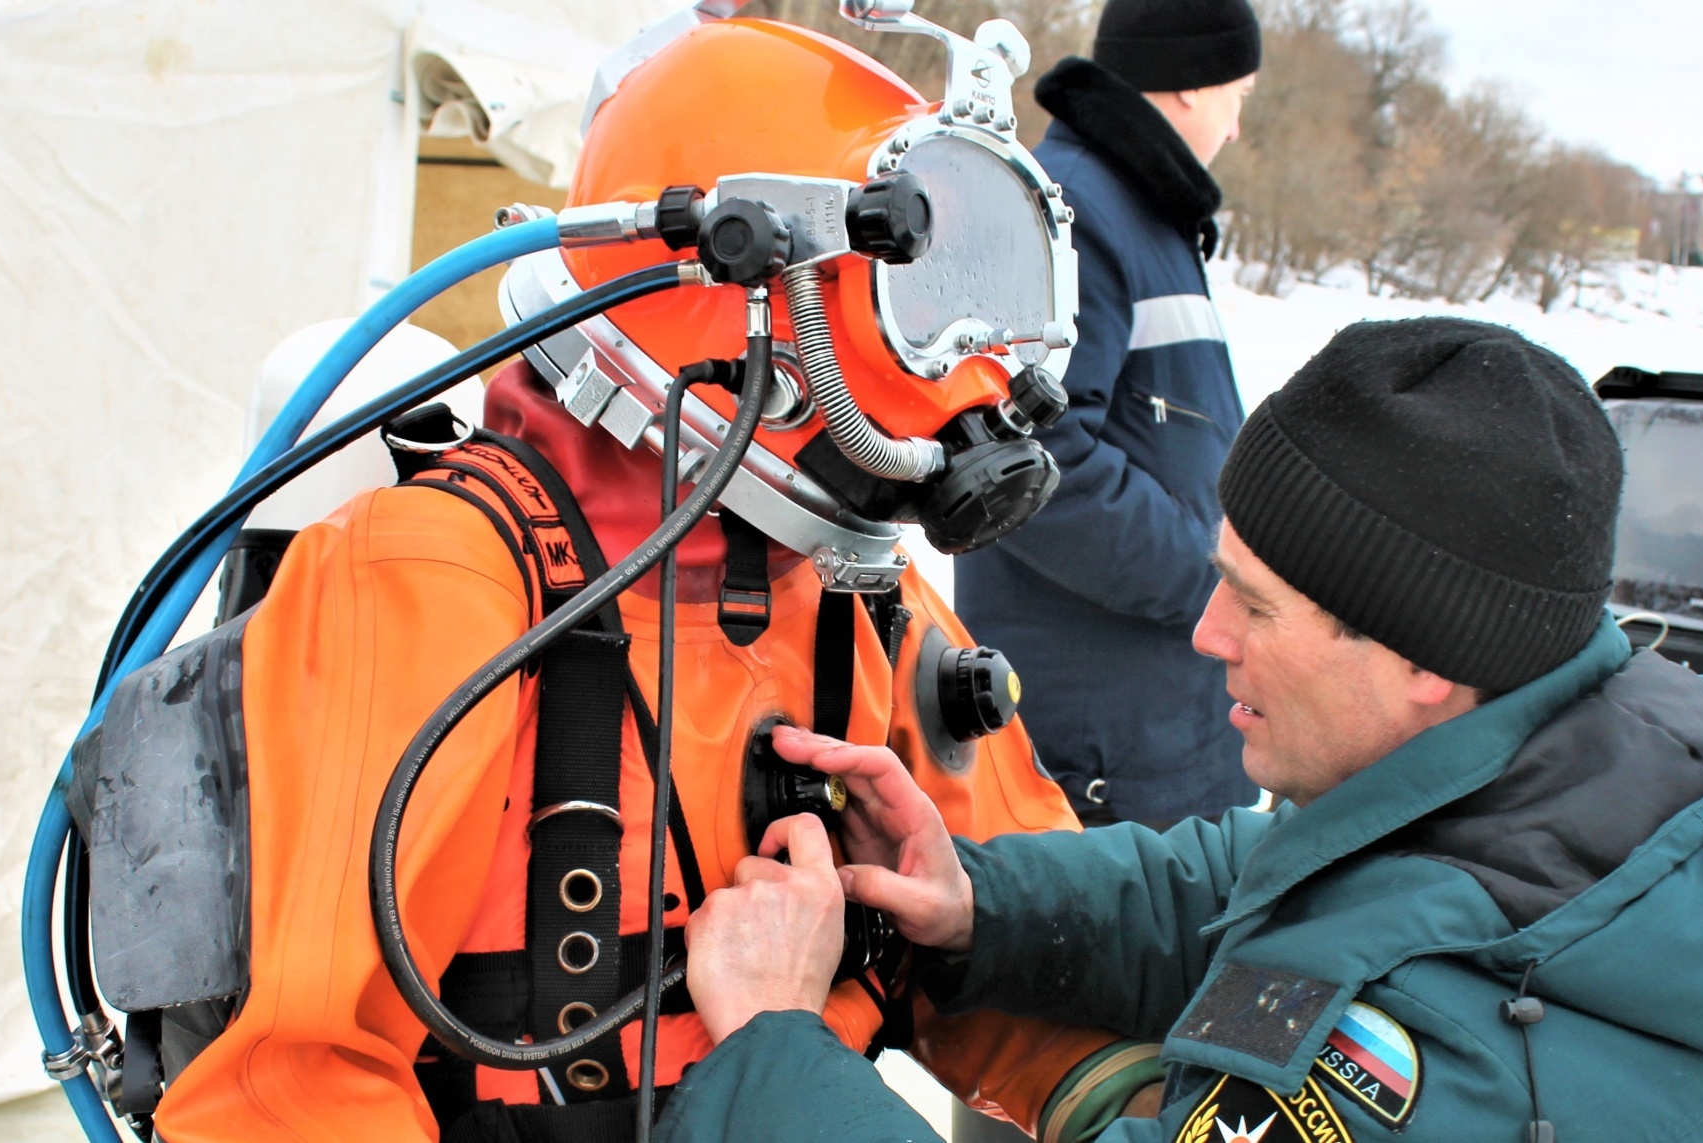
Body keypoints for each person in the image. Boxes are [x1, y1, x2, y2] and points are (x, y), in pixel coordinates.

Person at [64, 11, 1156, 1141]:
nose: (962, 387)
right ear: (748, 295)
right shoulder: (438, 585)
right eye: (913, 300)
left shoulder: (856, 595)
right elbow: (291, 1089)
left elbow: (1003, 939)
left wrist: (1147, 1104)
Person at [672, 317, 1703, 1142]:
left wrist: (771, 1043)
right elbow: (1277, 877)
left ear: (1420, 657)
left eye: (1253, 604)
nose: (1204, 634)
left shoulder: (1433, 1068)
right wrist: (982, 903)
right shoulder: (1617, 737)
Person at [956, 0, 1262, 827]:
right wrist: (1214, 581)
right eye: (1240, 95)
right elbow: (1029, 460)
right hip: (1103, 744)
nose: (1236, 126)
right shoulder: (1075, 216)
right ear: (1193, 86)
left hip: (1164, 716)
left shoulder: (1147, 214)